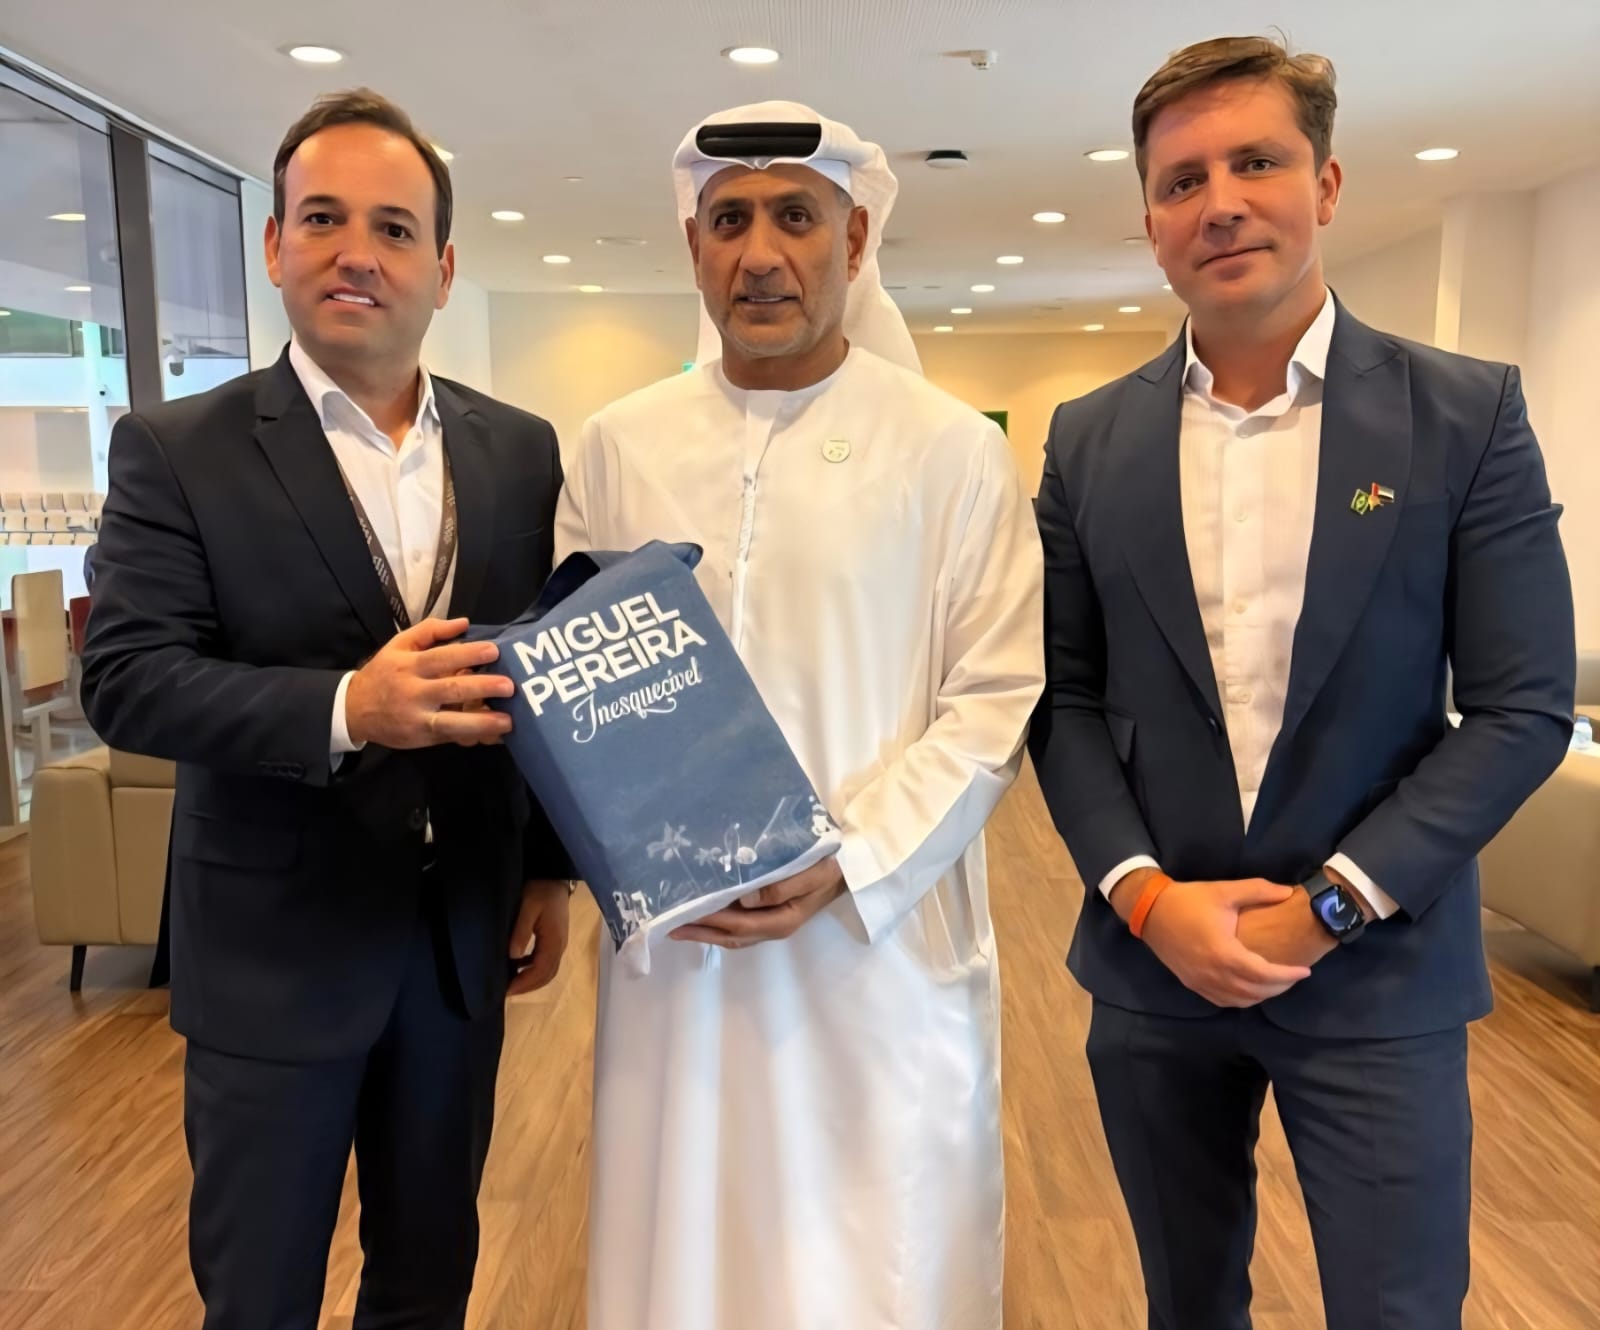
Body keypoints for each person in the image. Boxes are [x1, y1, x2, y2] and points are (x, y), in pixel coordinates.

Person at [1030, 36, 1576, 1330]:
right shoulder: (1088, 439)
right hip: (1155, 968)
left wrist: (1330, 907)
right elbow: (1061, 696)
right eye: (1181, 181)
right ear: (1150, 222)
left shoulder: (1465, 415)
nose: (1219, 202)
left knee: (1398, 1307)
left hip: (1378, 971)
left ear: (1325, 185)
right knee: (1185, 1302)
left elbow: (1522, 707)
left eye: (1256, 163)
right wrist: (1147, 898)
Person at [80, 89, 573, 1330]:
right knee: (260, 1294)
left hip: (458, 947)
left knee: (428, 1281)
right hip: (271, 951)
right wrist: (351, 706)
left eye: (394, 228)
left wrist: (547, 870)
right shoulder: (176, 448)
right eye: (322, 218)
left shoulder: (520, 450)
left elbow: (542, 671)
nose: (357, 252)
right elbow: (127, 677)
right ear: (273, 244)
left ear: (443, 269)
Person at [557, 101, 1044, 1330]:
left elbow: (992, 698)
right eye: (728, 221)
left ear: (855, 237)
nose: (760, 254)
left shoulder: (948, 450)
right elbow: (578, 687)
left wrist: (849, 859)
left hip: (876, 945)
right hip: (681, 954)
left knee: (872, 1260)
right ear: (693, 246)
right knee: (682, 1244)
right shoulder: (617, 446)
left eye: (794, 217)